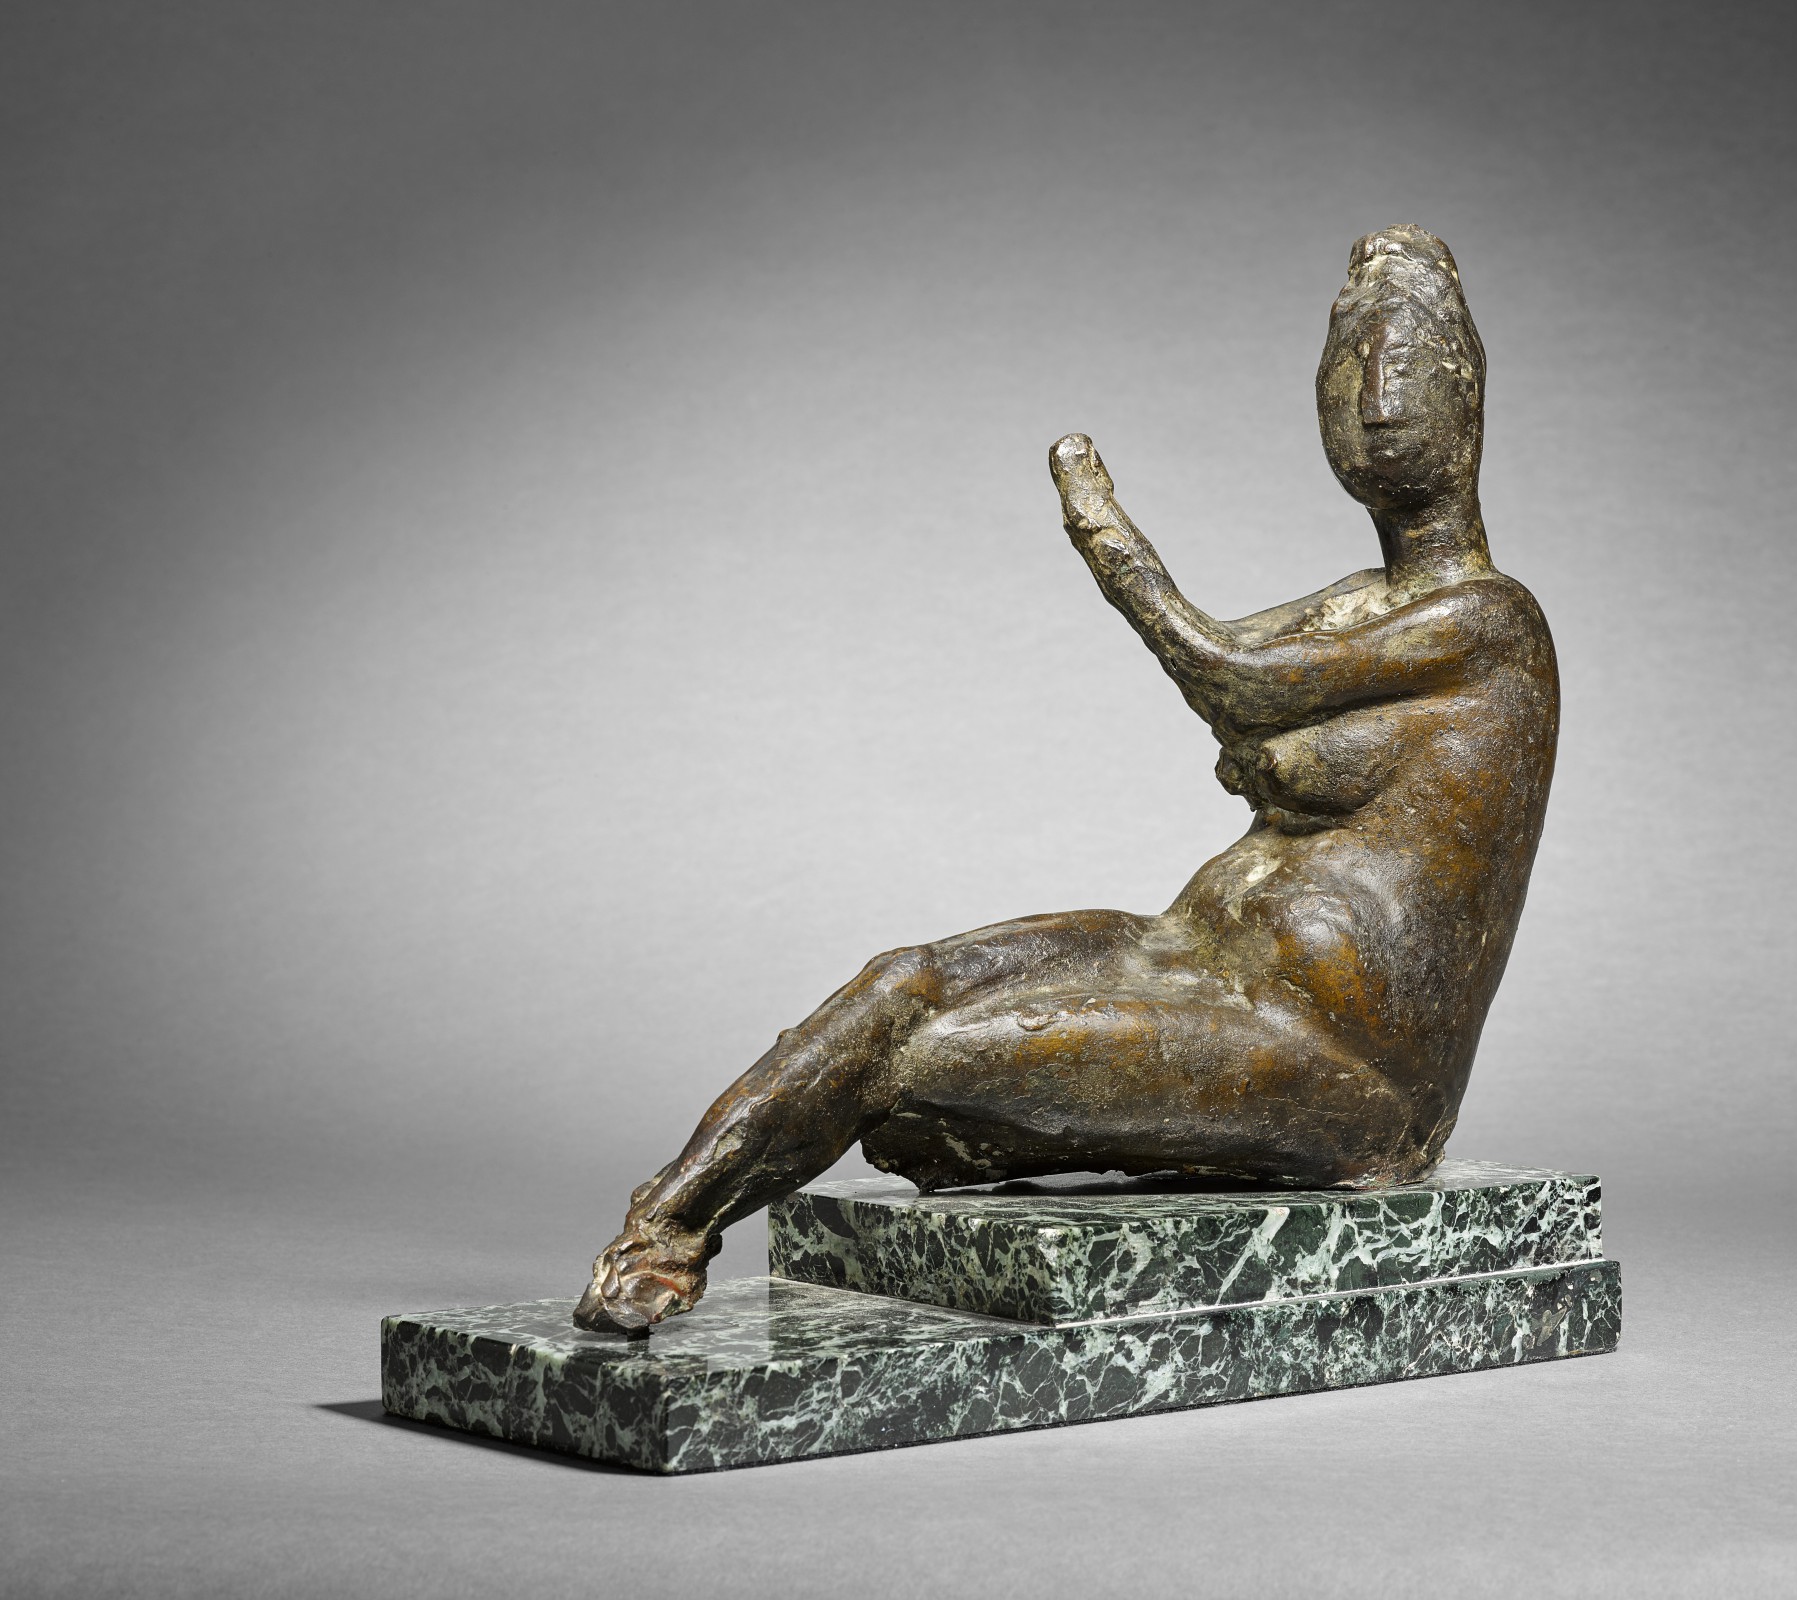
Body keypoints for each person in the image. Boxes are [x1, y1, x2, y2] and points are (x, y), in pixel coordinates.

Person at [574, 225, 1558, 1334]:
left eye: (1405, 362)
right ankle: (663, 1225)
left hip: (1343, 1063)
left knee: (919, 1060)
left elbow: (1229, 676)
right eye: (1347, 363)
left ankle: (722, 1214)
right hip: (1194, 956)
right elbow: (1238, 679)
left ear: (1467, 402)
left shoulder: (1491, 622)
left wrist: (1106, 536)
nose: (1374, 396)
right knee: (902, 982)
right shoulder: (1357, 605)